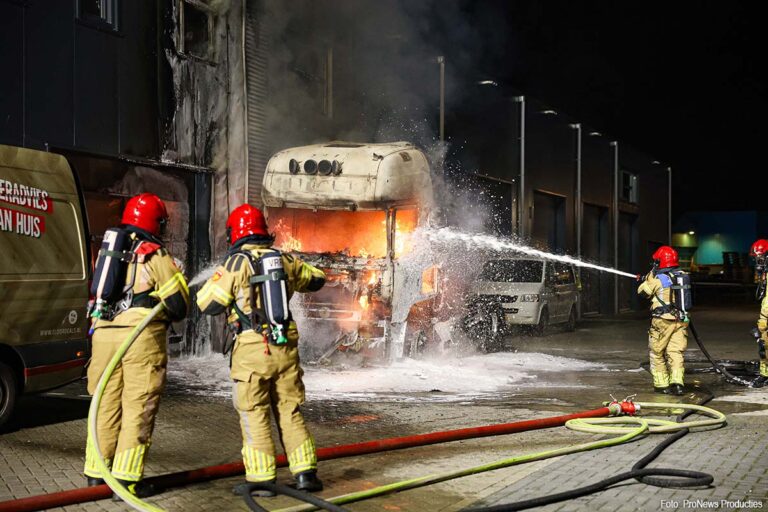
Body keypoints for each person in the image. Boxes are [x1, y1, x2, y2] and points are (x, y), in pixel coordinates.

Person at [196, 204, 326, 494]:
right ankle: (306, 475)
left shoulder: (236, 263)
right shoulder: (283, 259)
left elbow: (208, 304)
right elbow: (317, 279)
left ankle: (261, 479)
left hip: (253, 348)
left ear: (235, 233)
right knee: (289, 409)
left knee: (253, 411)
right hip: (285, 345)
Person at [84, 193, 189, 496]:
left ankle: (95, 472)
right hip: (138, 339)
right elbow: (178, 303)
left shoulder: (108, 251)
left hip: (103, 334)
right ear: (156, 222)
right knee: (137, 406)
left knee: (104, 402)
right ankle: (127, 478)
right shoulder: (153, 254)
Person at [637, 246, 690, 396]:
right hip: (681, 320)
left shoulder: (658, 279)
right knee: (676, 352)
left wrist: (648, 278)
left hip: (662, 321)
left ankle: (662, 385)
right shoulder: (682, 275)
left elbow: (642, 293)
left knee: (657, 352)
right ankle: (678, 383)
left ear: (659, 262)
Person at [750, 239, 768, 387]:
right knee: (763, 346)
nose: (758, 261)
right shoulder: (765, 274)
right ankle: (765, 374)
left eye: (760, 258)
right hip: (765, 316)